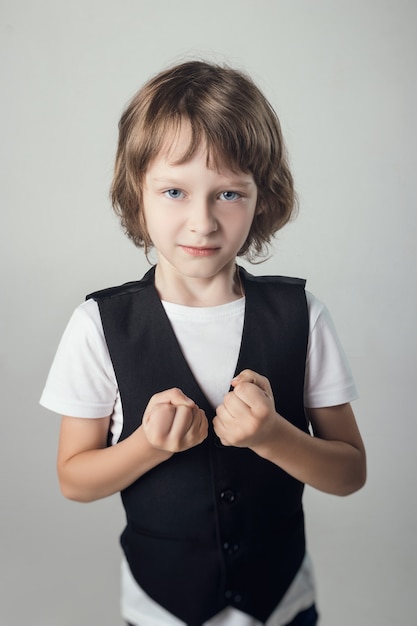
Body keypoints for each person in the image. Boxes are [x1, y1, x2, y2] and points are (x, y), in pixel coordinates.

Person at [40, 60, 366, 626]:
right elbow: (74, 479)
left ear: (262, 197)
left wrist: (272, 436)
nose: (201, 222)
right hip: (160, 608)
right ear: (135, 193)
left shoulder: (301, 316)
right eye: (173, 191)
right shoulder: (99, 325)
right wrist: (148, 446)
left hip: (281, 603)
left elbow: (349, 473)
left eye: (228, 195)